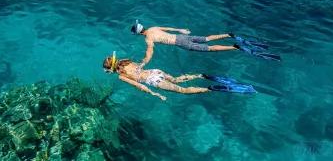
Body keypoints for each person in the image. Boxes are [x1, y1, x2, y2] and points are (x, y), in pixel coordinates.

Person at [103, 52, 255, 100]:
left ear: (111, 69)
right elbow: (140, 67)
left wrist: (155, 94)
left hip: (152, 80)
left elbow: (139, 85)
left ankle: (212, 88)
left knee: (183, 91)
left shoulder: (121, 76)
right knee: (176, 79)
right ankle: (202, 75)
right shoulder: (126, 61)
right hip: (156, 71)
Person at [131, 20, 280, 65]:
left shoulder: (148, 38)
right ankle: (228, 34)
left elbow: (149, 51)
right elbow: (168, 27)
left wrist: (143, 63)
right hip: (183, 37)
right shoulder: (154, 27)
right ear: (143, 27)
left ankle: (234, 47)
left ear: (139, 34)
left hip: (182, 43)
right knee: (207, 38)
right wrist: (182, 30)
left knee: (210, 49)